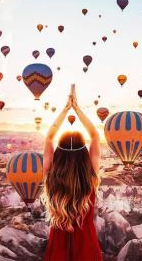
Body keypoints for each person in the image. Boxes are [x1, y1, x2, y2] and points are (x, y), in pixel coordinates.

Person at [42, 84, 103, 261]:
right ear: (84, 153)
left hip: (57, 250)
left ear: (58, 154)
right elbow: (95, 135)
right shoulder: (90, 176)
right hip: (87, 249)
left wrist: (66, 109)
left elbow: (49, 137)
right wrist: (77, 108)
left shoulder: (51, 174)